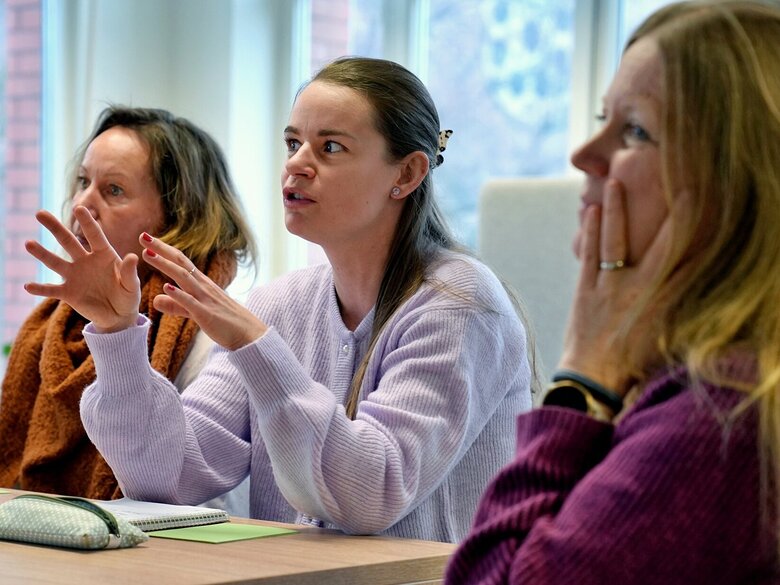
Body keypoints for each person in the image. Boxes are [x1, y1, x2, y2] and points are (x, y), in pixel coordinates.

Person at [24, 57, 533, 542]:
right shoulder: (281, 303)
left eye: (330, 147)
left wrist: (255, 344)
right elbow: (172, 476)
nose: (297, 166)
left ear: (406, 174)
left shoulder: (460, 304)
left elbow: (372, 494)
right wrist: (116, 336)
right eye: (293, 143)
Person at [445, 1, 780, 583]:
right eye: (604, 116)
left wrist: (583, 374)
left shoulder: (723, 418)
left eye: (634, 129)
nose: (583, 154)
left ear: (733, 190)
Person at [0, 106, 256, 515]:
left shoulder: (219, 335)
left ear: (178, 220)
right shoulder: (50, 325)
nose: (83, 203)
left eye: (113, 190)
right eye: (84, 181)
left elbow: (205, 499)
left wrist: (118, 330)